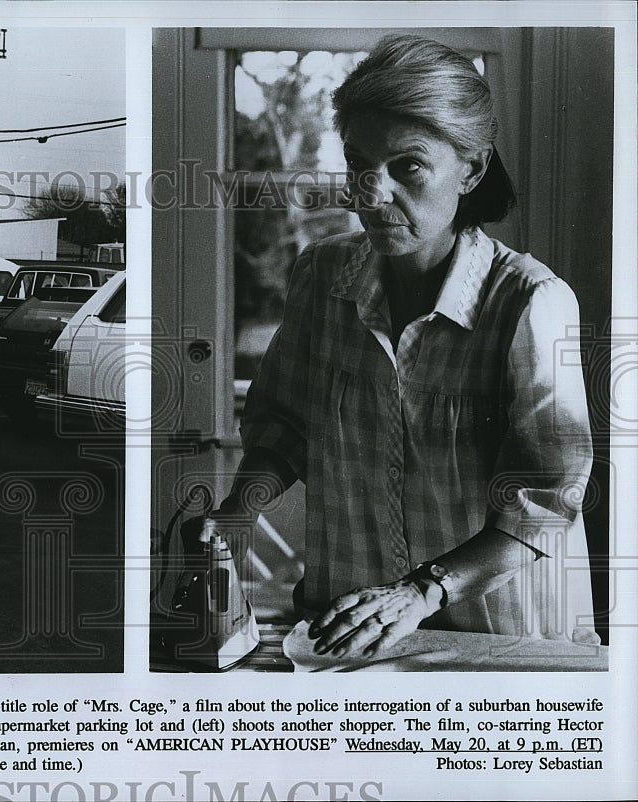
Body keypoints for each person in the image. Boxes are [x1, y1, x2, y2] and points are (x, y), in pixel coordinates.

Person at [206, 34, 597, 660]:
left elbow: (546, 499)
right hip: (349, 625)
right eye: (359, 163)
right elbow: (284, 428)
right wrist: (237, 511)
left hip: (499, 637)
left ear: (470, 168)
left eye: (407, 166)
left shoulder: (529, 301)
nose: (371, 192)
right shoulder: (321, 277)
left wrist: (420, 592)